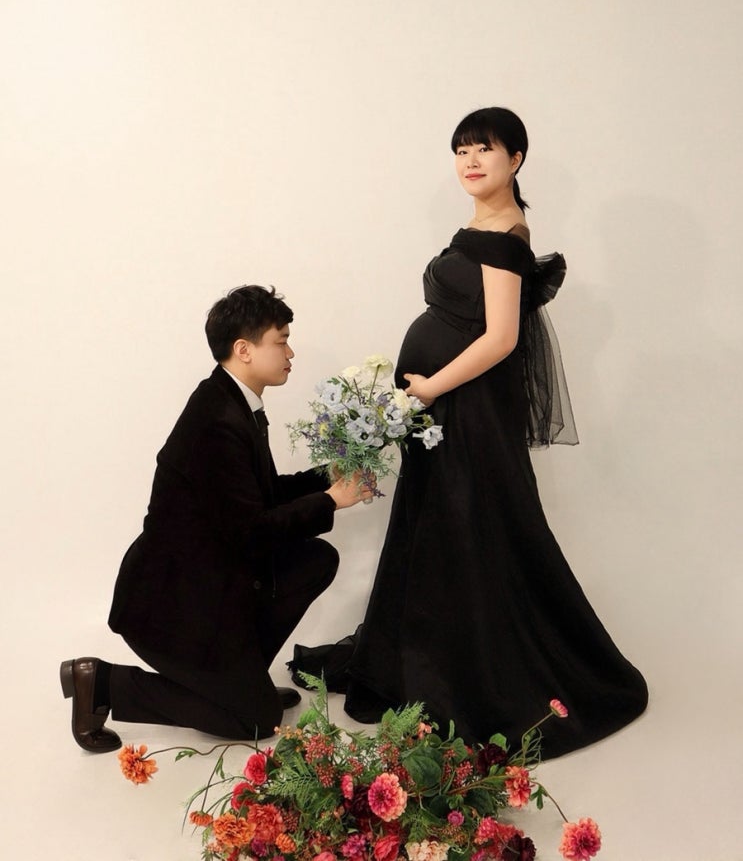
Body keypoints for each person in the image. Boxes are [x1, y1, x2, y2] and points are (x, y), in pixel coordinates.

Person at [291, 108, 648, 758]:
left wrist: (428, 386)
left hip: (467, 408)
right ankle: (428, 660)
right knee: (440, 528)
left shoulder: (507, 236)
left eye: (484, 149)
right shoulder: (480, 228)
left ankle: (474, 676)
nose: (470, 161)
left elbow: (501, 338)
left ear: (516, 159)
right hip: (443, 409)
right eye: (461, 151)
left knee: (470, 527)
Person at [60, 284, 373, 753]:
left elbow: (259, 495)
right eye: (281, 341)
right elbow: (251, 532)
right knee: (256, 721)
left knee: (315, 559)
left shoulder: (234, 402)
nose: (291, 353)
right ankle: (101, 683)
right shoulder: (217, 420)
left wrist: (327, 476)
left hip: (213, 586)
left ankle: (242, 681)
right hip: (171, 606)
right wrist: (330, 500)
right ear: (244, 350)